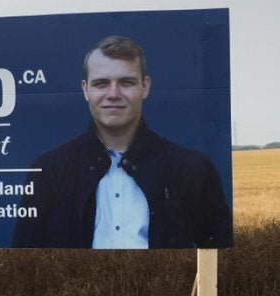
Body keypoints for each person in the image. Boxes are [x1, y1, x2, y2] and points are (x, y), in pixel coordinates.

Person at [12, 35, 232, 249]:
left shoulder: (194, 169)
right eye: (101, 83)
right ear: (85, 89)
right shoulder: (48, 171)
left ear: (145, 87)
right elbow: (25, 258)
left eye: (126, 83)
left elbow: (219, 257)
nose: (113, 94)